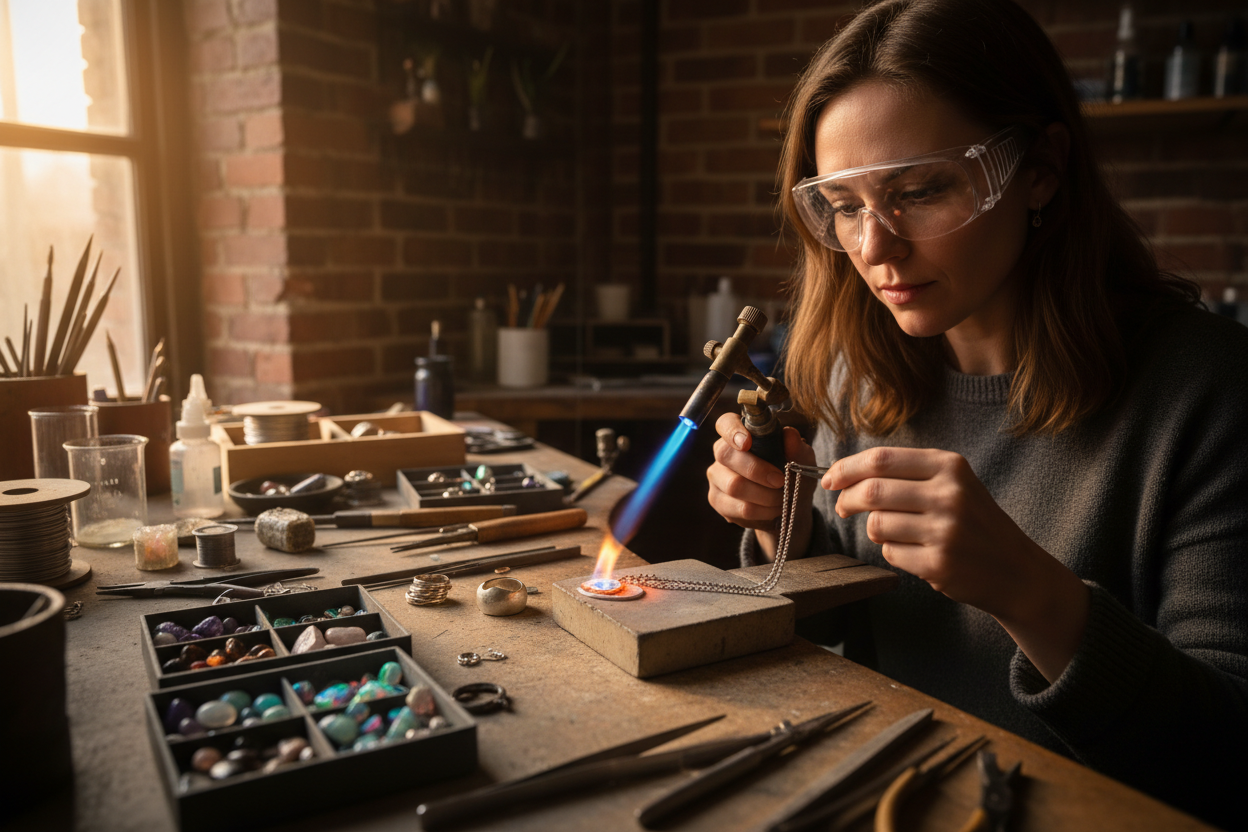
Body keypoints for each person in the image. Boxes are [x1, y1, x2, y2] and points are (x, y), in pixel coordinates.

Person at [705, 1, 1248, 828]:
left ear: (1041, 169)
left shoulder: (1205, 391)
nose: (874, 249)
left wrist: (1031, 593)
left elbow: (1228, 759)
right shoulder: (864, 372)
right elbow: (864, 645)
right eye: (843, 205)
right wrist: (793, 526)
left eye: (920, 191)